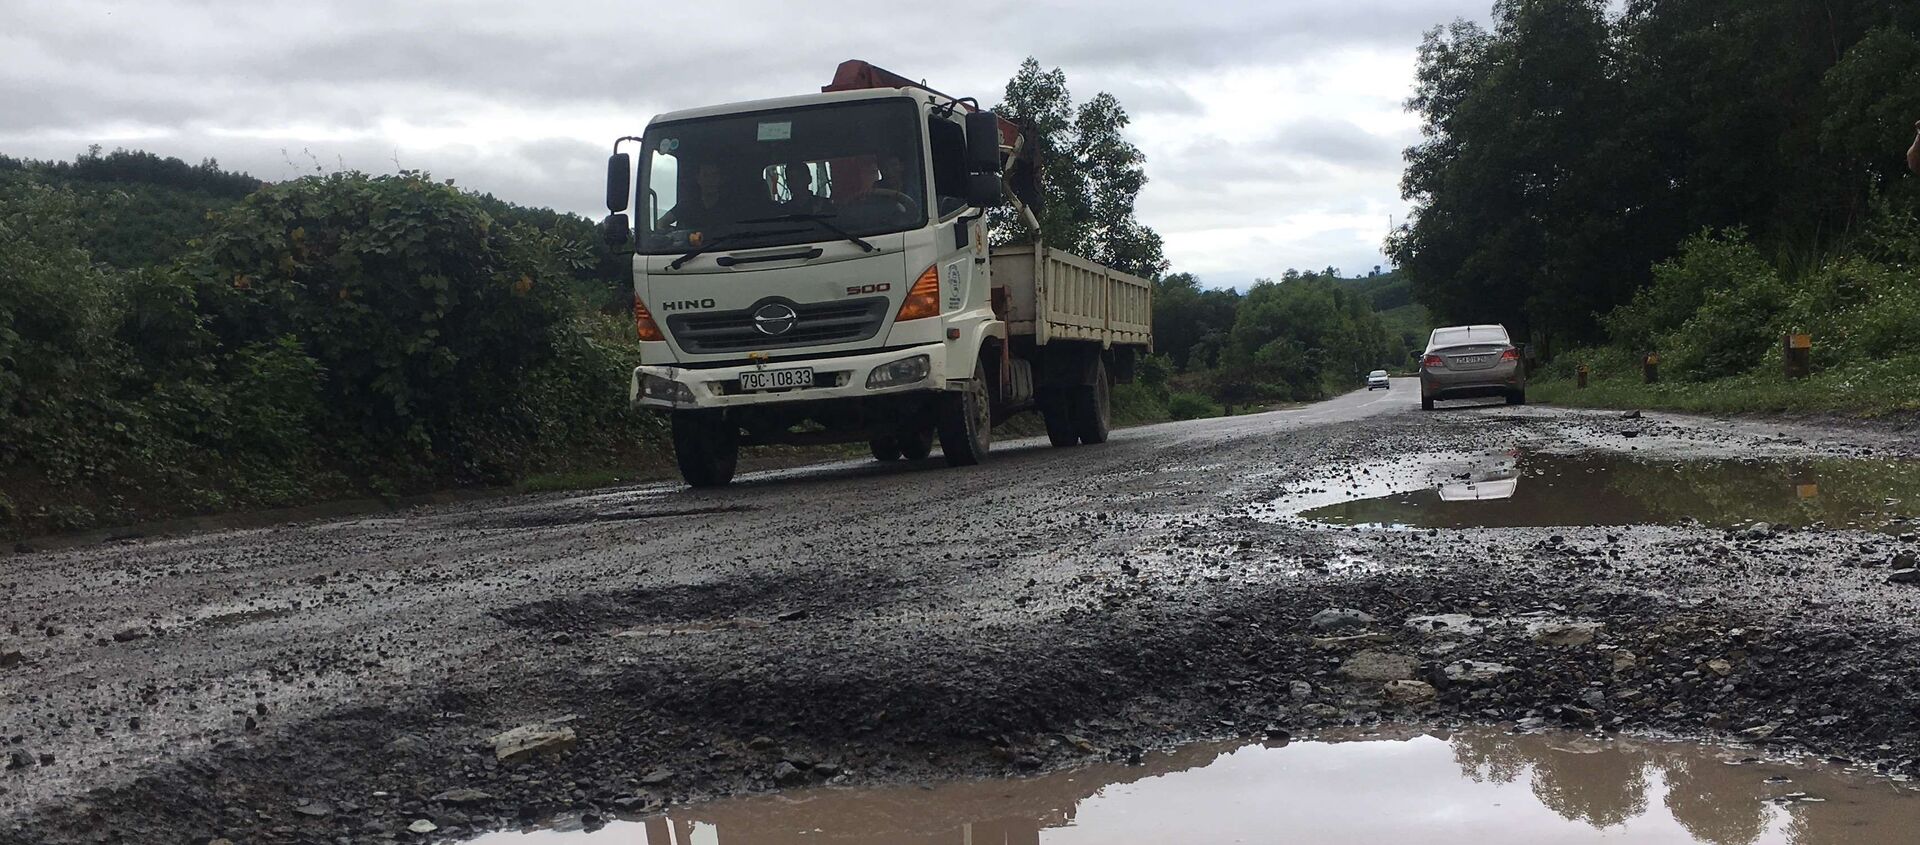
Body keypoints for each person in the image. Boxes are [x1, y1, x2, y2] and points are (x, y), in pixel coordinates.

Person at [658, 162, 728, 231]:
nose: (710, 180)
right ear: (698, 179)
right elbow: (660, 224)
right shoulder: (687, 205)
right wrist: (675, 233)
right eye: (706, 175)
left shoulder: (728, 208)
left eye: (714, 175)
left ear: (720, 179)